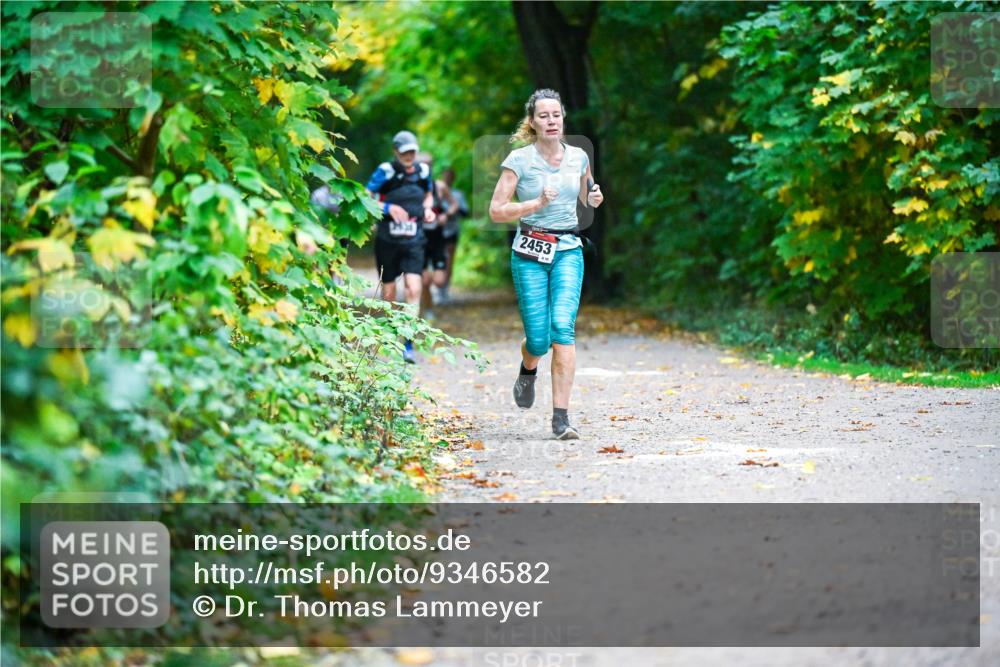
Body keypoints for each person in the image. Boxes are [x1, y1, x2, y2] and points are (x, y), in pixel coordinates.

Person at [488, 88, 603, 440]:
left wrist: (594, 198)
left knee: (562, 330)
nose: (551, 121)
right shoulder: (519, 161)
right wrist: (534, 204)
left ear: (563, 117)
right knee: (539, 340)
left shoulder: (579, 156)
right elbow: (496, 211)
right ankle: (528, 368)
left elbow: (585, 197)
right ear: (532, 122)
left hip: (568, 248)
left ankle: (561, 419)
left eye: (556, 115)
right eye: (543, 116)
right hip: (530, 251)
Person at [365, 130, 436, 364]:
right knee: (389, 293)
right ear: (396, 152)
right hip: (388, 240)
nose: (409, 155)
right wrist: (387, 209)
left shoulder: (423, 171)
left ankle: (407, 341)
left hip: (415, 238)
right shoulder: (385, 171)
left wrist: (427, 209)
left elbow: (428, 196)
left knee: (414, 288)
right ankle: (393, 335)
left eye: (412, 151)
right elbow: (365, 197)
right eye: (404, 152)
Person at [416, 152, 456, 321]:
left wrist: (446, 215)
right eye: (422, 165)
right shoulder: (412, 187)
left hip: (438, 238)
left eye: (429, 165)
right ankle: (428, 307)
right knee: (425, 281)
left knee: (438, 281)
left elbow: (454, 204)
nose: (426, 168)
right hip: (419, 238)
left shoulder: (439, 187)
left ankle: (429, 300)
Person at [438, 167, 468, 304]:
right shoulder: (435, 192)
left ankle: (444, 291)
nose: (447, 179)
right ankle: (437, 288)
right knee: (438, 260)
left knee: (449, 260)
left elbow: (465, 213)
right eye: (445, 176)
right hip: (436, 231)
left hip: (452, 231)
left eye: (450, 176)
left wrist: (452, 211)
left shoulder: (458, 195)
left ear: (453, 179)